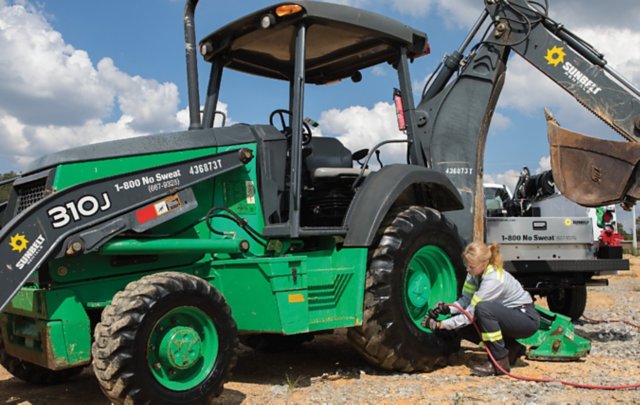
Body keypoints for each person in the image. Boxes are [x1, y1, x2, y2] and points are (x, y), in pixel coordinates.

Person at [422, 241, 540, 376]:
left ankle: (499, 362)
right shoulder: (474, 273)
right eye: (466, 265)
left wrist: (440, 325)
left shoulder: (493, 279)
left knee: (483, 310)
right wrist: (449, 309)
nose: (467, 269)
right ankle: (512, 347)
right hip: (508, 315)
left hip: (525, 319)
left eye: (471, 266)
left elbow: (470, 315)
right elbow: (466, 300)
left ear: (484, 264)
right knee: (462, 326)